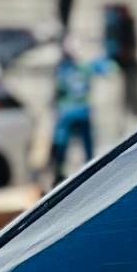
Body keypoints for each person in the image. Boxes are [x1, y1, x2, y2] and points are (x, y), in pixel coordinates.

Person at [45, 40, 102, 184]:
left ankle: (60, 173)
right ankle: (91, 169)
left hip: (68, 112)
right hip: (83, 111)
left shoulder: (63, 70)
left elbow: (58, 90)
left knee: (62, 144)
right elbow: (104, 68)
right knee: (87, 144)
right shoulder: (84, 68)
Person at [101, 0, 137, 125]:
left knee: (130, 91)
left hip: (125, 60)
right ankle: (128, 114)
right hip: (118, 60)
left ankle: (132, 114)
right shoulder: (115, 23)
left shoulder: (124, 22)